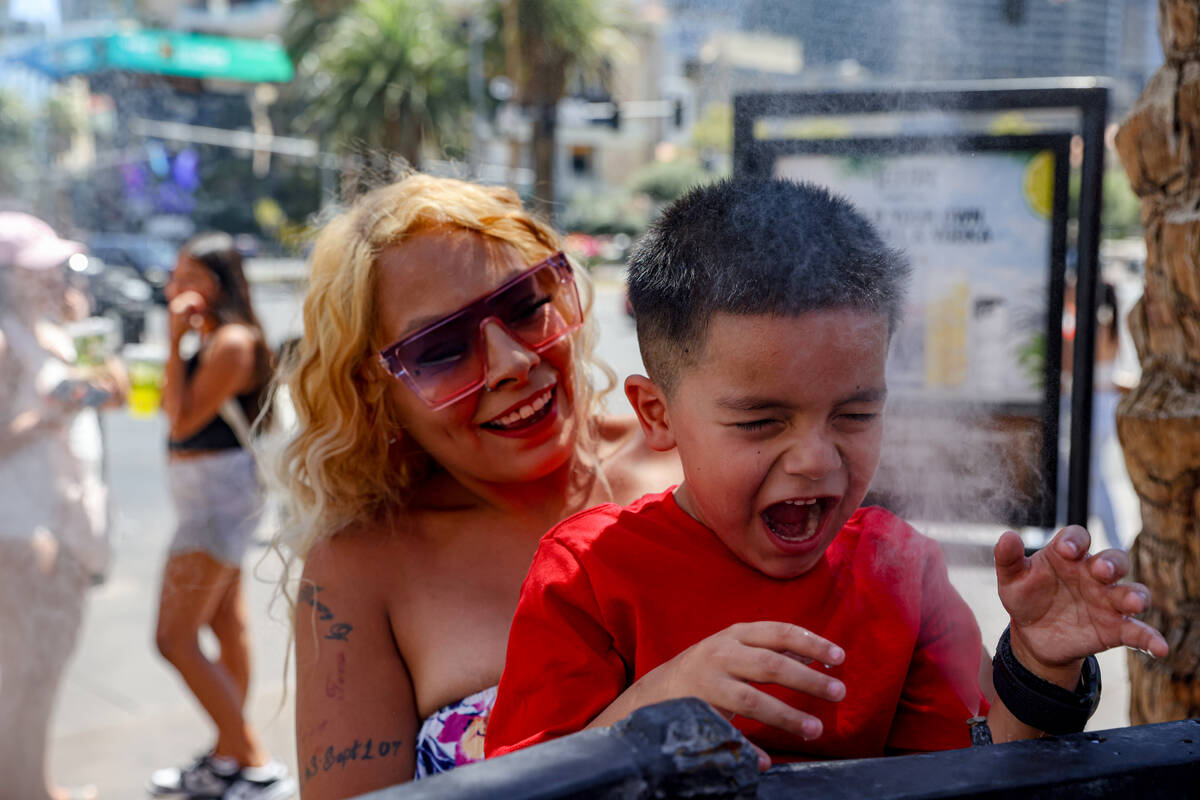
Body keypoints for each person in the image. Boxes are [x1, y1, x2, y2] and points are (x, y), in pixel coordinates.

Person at [484, 179, 1169, 765]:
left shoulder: (899, 570)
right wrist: (650, 711)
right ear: (656, 414)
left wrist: (1041, 664)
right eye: (760, 421)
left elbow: (978, 773)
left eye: (854, 415)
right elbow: (520, 788)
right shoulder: (588, 579)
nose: (815, 458)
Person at [278, 173, 680, 798]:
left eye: (526, 307)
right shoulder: (362, 570)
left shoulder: (690, 462)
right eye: (441, 350)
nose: (513, 363)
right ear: (374, 390)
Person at [148, 233, 293, 799]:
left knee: (173, 637)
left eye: (186, 276)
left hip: (217, 503)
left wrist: (170, 337)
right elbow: (170, 407)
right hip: (208, 497)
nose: (174, 286)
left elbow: (181, 423)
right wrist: (177, 342)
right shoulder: (208, 337)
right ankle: (231, 755)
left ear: (216, 282)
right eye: (174, 275)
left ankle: (253, 761)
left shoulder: (232, 341)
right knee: (223, 624)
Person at [0, 212, 125, 800]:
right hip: (21, 526)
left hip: (62, 518)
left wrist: (98, 368)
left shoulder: (49, 324)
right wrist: (52, 415)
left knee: (40, 673)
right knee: (26, 675)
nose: (55, 277)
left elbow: (100, 393)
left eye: (60, 266)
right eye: (39, 270)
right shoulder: (4, 338)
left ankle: (33, 786)